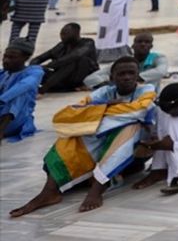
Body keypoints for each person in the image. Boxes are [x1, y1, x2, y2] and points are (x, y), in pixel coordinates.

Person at [10, 56, 157, 216]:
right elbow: (70, 113)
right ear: (111, 77)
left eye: (131, 73)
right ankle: (49, 192)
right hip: (103, 137)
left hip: (140, 145)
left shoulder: (146, 90)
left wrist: (97, 112)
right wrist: (106, 108)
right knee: (70, 138)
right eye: (121, 74)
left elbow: (139, 111)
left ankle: (97, 189)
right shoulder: (104, 92)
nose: (127, 77)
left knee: (129, 128)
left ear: (138, 75)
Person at [82, 32, 167, 90]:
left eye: (147, 42)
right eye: (139, 42)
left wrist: (134, 78)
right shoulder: (124, 62)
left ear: (151, 46)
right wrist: (107, 83)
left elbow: (161, 71)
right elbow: (89, 79)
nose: (143, 44)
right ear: (132, 46)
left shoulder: (158, 58)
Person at [31, 22, 99, 93]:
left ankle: (44, 88)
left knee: (74, 61)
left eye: (66, 34)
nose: (62, 36)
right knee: (36, 70)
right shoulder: (61, 46)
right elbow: (40, 58)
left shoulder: (88, 42)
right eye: (61, 34)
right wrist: (32, 66)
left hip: (82, 78)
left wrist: (49, 65)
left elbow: (74, 56)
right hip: (62, 78)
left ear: (77, 34)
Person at [0, 39, 44, 141]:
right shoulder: (3, 74)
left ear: (25, 58)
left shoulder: (34, 72)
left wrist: (2, 99)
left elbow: (25, 85)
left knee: (20, 94)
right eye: (5, 56)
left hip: (16, 120)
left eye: (12, 57)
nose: (6, 60)